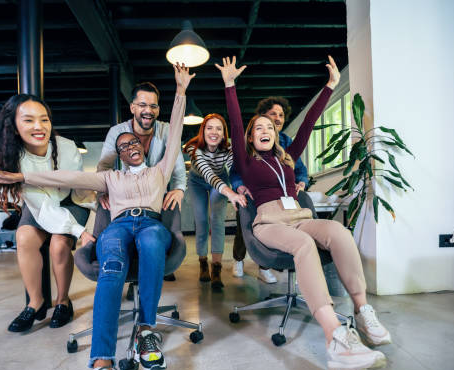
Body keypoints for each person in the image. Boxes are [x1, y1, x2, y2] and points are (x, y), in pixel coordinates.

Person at [0, 63, 194, 370]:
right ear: (119, 156)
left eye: (134, 144)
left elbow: (176, 133)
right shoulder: (109, 179)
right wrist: (17, 178)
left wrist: (181, 92)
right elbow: (63, 177)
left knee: (154, 242)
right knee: (111, 265)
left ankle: (146, 333)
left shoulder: (160, 170)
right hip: (118, 227)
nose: (130, 147)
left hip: (152, 223)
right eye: (123, 146)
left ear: (141, 147)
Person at [217, 55, 391, 370]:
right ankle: (334, 337)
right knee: (304, 246)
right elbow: (236, 120)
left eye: (270, 126)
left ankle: (363, 309)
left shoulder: (288, 157)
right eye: (259, 128)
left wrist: (330, 86)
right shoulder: (245, 162)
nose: (265, 129)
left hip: (299, 217)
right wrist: (230, 84)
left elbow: (309, 122)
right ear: (251, 137)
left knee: (339, 232)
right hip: (268, 222)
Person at [0, 94, 95, 333]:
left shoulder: (65, 147)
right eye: (28, 120)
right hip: (39, 206)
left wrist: (77, 230)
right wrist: (80, 232)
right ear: (13, 126)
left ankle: (63, 301)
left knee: (59, 244)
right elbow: (44, 207)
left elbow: (65, 185)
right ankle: (35, 302)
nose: (38, 126)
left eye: (44, 119)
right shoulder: (11, 159)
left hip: (72, 200)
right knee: (23, 238)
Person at [97, 80, 187, 283]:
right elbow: (103, 167)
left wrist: (180, 189)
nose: (148, 110)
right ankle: (135, 277)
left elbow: (178, 168)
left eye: (153, 106)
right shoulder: (116, 131)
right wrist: (102, 190)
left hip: (155, 198)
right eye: (143, 105)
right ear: (133, 107)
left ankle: (153, 269)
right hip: (127, 197)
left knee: (153, 240)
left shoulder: (166, 130)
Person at [229, 97, 310, 283]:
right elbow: (236, 169)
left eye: (281, 115)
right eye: (273, 114)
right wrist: (240, 186)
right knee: (244, 228)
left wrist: (301, 183)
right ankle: (239, 258)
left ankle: (265, 268)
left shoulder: (286, 142)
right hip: (252, 194)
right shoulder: (251, 142)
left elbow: (299, 169)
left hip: (284, 201)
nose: (278, 118)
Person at [183, 114, 246, 289]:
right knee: (202, 220)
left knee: (217, 221)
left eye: (219, 128)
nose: (214, 132)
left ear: (224, 133)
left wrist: (240, 187)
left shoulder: (228, 149)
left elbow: (236, 169)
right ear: (203, 131)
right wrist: (230, 194)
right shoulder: (193, 148)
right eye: (210, 128)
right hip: (197, 182)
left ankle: (216, 268)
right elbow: (208, 174)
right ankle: (203, 262)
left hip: (220, 180)